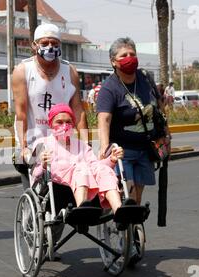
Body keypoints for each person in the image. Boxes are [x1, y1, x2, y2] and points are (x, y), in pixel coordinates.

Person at [12, 23, 88, 189]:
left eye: (55, 44)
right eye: (45, 43)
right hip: (33, 142)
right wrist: (24, 148)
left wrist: (85, 143)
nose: (50, 47)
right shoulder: (22, 70)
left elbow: (78, 110)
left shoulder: (70, 72)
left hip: (62, 142)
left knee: (67, 188)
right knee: (35, 191)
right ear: (34, 45)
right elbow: (21, 113)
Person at [97, 37, 171, 205]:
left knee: (138, 197)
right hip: (123, 152)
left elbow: (160, 108)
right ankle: (126, 225)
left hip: (146, 149)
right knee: (130, 197)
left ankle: (132, 229)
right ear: (113, 62)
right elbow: (104, 118)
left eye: (132, 53)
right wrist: (104, 147)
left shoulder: (145, 78)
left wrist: (167, 135)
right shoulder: (109, 88)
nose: (129, 58)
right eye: (124, 55)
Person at [32, 104, 127, 225]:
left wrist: (112, 159)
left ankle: (119, 211)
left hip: (88, 184)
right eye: (59, 122)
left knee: (103, 169)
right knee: (81, 168)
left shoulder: (81, 145)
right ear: (51, 124)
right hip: (59, 189)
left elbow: (95, 166)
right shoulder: (42, 143)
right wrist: (43, 165)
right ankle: (82, 210)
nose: (64, 126)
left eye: (68, 122)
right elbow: (34, 174)